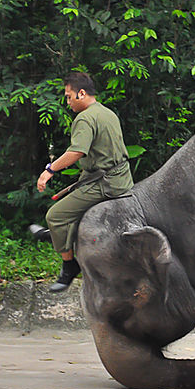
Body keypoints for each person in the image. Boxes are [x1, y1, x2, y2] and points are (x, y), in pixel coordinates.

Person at [31, 72, 133, 292]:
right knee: (68, 204)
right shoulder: (107, 113)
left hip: (104, 184)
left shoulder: (85, 118)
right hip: (120, 178)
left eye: (69, 97)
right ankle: (58, 237)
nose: (68, 102)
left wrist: (49, 170)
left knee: (55, 216)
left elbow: (77, 152)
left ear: (82, 93)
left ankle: (69, 267)